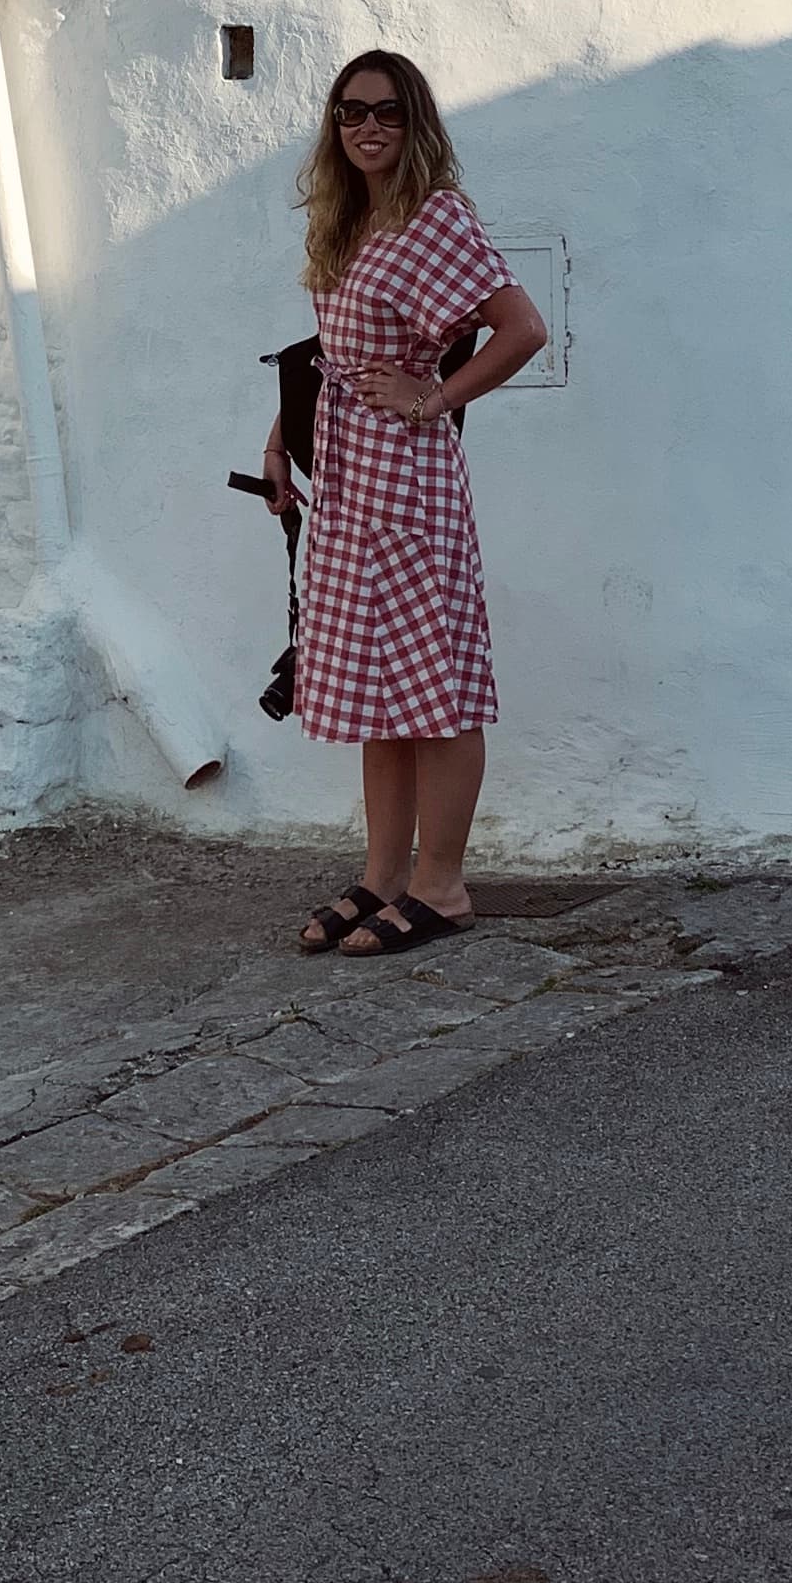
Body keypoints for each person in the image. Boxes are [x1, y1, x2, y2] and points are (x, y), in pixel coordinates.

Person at [260, 50, 549, 956]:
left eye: (386, 112)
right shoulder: (349, 221)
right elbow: (326, 352)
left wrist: (432, 398)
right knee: (368, 686)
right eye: (351, 114)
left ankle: (442, 885)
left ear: (414, 121)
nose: (368, 128)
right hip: (346, 481)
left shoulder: (435, 219)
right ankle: (382, 877)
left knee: (435, 685)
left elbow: (522, 329)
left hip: (411, 482)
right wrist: (279, 438)